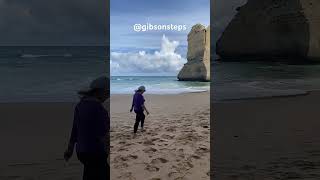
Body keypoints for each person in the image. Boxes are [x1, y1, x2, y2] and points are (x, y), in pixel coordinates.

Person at [64, 76, 110, 180]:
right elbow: (103, 134)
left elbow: (75, 129)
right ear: (100, 92)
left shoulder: (80, 106)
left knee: (89, 173)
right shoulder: (99, 109)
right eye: (107, 93)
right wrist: (107, 150)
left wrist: (69, 149)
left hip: (81, 151)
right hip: (95, 152)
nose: (108, 96)